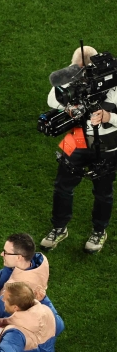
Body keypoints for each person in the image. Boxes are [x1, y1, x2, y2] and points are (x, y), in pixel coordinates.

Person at [40, 45, 116, 253]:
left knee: (103, 192)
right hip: (76, 138)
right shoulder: (73, 74)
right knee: (62, 187)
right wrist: (68, 107)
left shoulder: (113, 84)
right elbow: (52, 99)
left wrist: (109, 117)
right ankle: (59, 227)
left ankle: (99, 231)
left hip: (108, 144)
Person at [0, 233, 49, 321]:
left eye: (6, 252)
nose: (2, 254)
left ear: (18, 257)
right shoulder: (19, 267)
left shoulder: (20, 291)